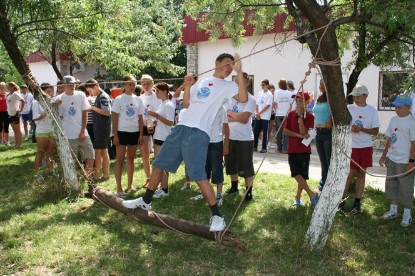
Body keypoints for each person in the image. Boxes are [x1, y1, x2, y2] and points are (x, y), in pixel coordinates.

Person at [122, 53, 248, 232]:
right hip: (181, 127)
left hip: (199, 132)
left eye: (232, 65)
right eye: (227, 64)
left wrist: (240, 72)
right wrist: (188, 85)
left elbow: (243, 99)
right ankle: (146, 201)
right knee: (158, 165)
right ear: (217, 63)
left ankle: (217, 216)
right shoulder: (203, 82)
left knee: (198, 175)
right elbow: (187, 103)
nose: (229, 68)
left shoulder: (229, 85)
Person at [339, 84, 380, 214]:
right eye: (354, 96)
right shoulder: (349, 108)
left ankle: (357, 202)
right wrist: (350, 128)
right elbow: (342, 124)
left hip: (365, 146)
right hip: (351, 146)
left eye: (358, 96)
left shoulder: (372, 111)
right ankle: (342, 200)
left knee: (361, 174)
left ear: (365, 96)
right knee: (350, 173)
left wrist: (361, 129)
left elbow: (375, 131)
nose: (355, 98)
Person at [379, 95, 415, 227]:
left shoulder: (412, 122)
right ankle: (393, 210)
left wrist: (411, 161)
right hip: (392, 158)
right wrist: (384, 155)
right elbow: (390, 139)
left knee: (406, 187)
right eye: (395, 107)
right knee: (392, 184)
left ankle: (407, 215)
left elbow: (414, 143)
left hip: (405, 160)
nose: (397, 110)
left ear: (408, 107)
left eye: (399, 107)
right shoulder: (394, 120)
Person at [55, 75, 95, 180]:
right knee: (72, 160)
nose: (72, 86)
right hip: (68, 134)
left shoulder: (81, 94)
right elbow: (58, 117)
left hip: (82, 132)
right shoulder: (59, 98)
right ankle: (74, 181)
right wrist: (55, 106)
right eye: (69, 85)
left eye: (73, 84)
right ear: (63, 86)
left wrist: (82, 131)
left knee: (91, 155)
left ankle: (87, 180)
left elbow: (85, 113)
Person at [225, 72, 256, 201]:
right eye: (236, 81)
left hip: (245, 138)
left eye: (241, 81)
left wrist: (232, 114)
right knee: (231, 164)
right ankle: (234, 188)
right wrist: (235, 116)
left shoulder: (251, 99)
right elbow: (225, 117)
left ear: (247, 83)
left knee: (246, 167)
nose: (238, 84)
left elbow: (244, 119)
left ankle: (248, 193)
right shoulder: (230, 98)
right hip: (230, 137)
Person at [283, 92, 318, 207]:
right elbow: (285, 131)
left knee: (301, 175)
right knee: (295, 173)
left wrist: (300, 118)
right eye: (296, 101)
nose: (297, 103)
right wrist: (298, 136)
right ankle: (311, 194)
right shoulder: (291, 114)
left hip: (303, 150)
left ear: (307, 102)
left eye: (300, 101)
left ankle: (298, 198)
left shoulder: (310, 116)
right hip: (292, 148)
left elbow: (304, 132)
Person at [112, 75, 144, 198]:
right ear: (124, 85)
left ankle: (130, 185)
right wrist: (115, 135)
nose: (132, 86)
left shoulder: (138, 99)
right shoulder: (119, 99)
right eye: (129, 84)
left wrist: (141, 134)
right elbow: (114, 117)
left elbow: (140, 118)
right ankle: (119, 188)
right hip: (122, 132)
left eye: (134, 84)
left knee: (131, 159)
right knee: (119, 160)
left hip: (134, 132)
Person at [146, 82, 175, 198]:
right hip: (158, 136)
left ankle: (164, 189)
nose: (156, 93)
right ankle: (163, 188)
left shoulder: (168, 105)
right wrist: (154, 122)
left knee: (159, 165)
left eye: (157, 91)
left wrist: (156, 116)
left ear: (164, 91)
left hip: (164, 137)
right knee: (160, 165)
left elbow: (170, 122)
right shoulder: (162, 104)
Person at [85, 78, 112, 182]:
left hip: (102, 128)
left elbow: (107, 112)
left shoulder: (103, 97)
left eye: (90, 91)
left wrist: (92, 108)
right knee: (103, 151)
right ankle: (105, 175)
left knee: (98, 151)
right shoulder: (99, 96)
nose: (90, 93)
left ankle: (96, 176)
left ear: (95, 87)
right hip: (99, 128)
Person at [139, 74, 161, 187]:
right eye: (143, 83)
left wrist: (155, 120)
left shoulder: (157, 97)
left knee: (158, 154)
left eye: (148, 83)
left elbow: (161, 112)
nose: (146, 86)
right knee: (145, 154)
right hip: (144, 127)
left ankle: (160, 178)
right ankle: (148, 178)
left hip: (156, 126)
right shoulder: (140, 98)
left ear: (152, 84)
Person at [32, 83, 56, 178]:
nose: (50, 93)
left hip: (51, 130)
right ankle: (37, 173)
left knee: (50, 152)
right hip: (41, 131)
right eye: (48, 91)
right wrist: (45, 113)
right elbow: (35, 118)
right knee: (40, 152)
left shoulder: (52, 101)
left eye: (52, 91)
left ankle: (51, 171)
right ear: (42, 92)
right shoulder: (36, 102)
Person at [313, 79, 332, 191]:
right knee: (323, 160)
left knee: (329, 159)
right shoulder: (320, 98)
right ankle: (323, 180)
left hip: (327, 132)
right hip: (318, 132)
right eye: (319, 83)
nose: (320, 86)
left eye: (322, 83)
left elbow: (337, 114)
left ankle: (329, 182)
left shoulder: (332, 98)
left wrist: (331, 119)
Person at [253, 79, 273, 153]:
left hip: (265, 117)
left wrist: (260, 113)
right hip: (258, 116)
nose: (262, 86)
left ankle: (264, 147)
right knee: (255, 131)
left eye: (263, 85)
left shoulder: (269, 94)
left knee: (265, 133)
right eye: (261, 85)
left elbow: (267, 106)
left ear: (267, 85)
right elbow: (257, 104)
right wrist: (257, 113)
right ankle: (255, 146)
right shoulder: (259, 93)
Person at [274, 79, 292, 153]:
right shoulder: (289, 93)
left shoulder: (277, 92)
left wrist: (276, 111)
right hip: (286, 115)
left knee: (279, 132)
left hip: (278, 114)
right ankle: (285, 148)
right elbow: (291, 105)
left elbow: (275, 104)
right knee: (286, 131)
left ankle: (279, 148)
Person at [6, 82, 25, 148]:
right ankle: (17, 144)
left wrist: (20, 109)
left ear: (12, 87)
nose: (7, 88)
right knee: (14, 130)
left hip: (15, 114)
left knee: (17, 130)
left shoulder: (15, 93)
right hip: (10, 114)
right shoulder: (9, 94)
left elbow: (23, 100)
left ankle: (19, 144)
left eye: (8, 87)